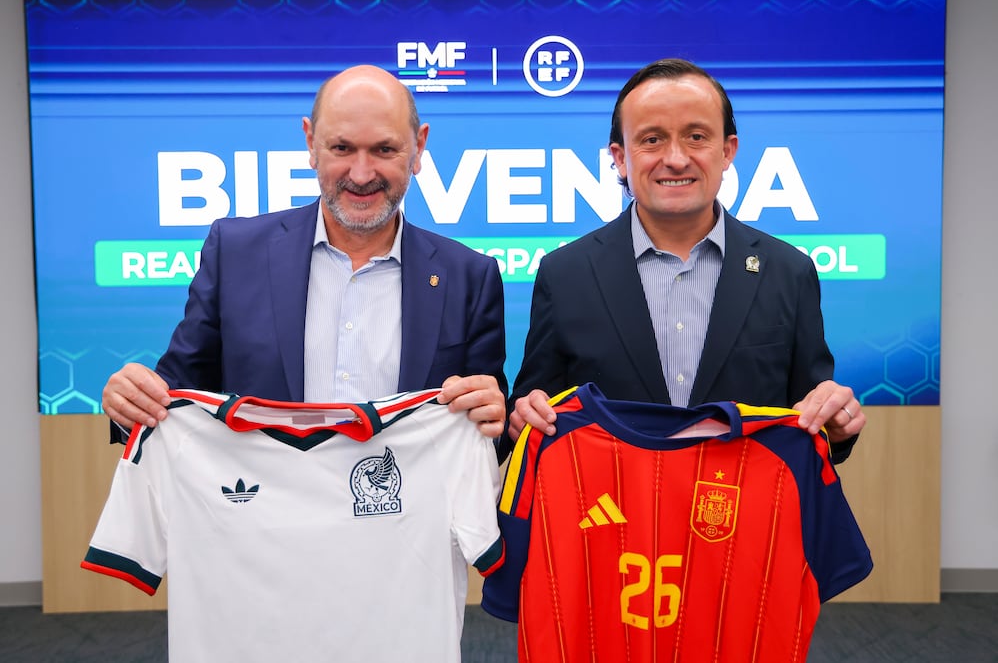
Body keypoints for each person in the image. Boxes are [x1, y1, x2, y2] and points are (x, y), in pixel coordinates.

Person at [102, 65, 507, 440]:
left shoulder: (470, 277)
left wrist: (496, 420)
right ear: (311, 143)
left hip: (410, 517)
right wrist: (129, 404)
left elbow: (485, 436)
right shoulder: (234, 254)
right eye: (342, 148)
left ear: (418, 148)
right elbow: (175, 398)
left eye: (384, 150)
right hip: (263, 514)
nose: (362, 174)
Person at [506, 58, 864, 462]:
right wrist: (521, 418)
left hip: (743, 518)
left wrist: (837, 426)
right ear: (620, 157)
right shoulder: (566, 274)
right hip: (612, 517)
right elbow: (529, 413)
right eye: (652, 139)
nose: (675, 159)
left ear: (727, 150)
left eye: (696, 137)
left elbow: (813, 423)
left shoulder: (788, 272)